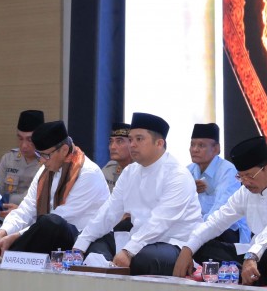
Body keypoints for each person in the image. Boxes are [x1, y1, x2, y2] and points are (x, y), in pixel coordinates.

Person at [72, 113, 203, 275]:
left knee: (144, 258)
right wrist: (80, 245)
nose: (132, 144)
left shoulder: (177, 175)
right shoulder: (130, 172)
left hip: (174, 244)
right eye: (131, 139)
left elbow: (160, 222)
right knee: (91, 242)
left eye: (139, 139)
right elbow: (109, 211)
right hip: (138, 242)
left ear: (159, 143)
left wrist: (128, 251)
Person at [173, 136, 267, 286]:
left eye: (249, 176)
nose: (245, 183)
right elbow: (217, 221)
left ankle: (246, 274)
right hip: (255, 256)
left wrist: (252, 255)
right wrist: (187, 249)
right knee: (202, 246)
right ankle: (249, 275)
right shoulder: (245, 192)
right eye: (240, 177)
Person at [0, 120, 109, 255]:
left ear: (64, 150)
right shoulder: (45, 171)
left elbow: (61, 217)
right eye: (39, 155)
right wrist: (1, 233)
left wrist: (14, 237)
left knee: (51, 223)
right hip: (43, 231)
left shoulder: (88, 173)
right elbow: (27, 209)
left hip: (79, 238)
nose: (42, 160)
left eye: (46, 155)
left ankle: (3, 255)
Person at [0, 110, 44, 242]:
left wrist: (20, 211)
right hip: (2, 218)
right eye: (20, 138)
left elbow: (48, 204)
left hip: (31, 221)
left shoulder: (48, 162)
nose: (24, 146)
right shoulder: (9, 159)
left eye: (30, 140)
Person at [186, 123, 250, 243]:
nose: (195, 149)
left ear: (216, 149)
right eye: (192, 145)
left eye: (201, 145)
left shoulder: (228, 171)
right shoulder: (187, 171)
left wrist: (196, 229)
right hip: (196, 229)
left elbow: (221, 212)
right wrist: (189, 190)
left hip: (226, 231)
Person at [101, 122, 132, 192]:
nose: (112, 147)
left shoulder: (142, 171)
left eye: (119, 141)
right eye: (111, 142)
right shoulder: (108, 170)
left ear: (132, 144)